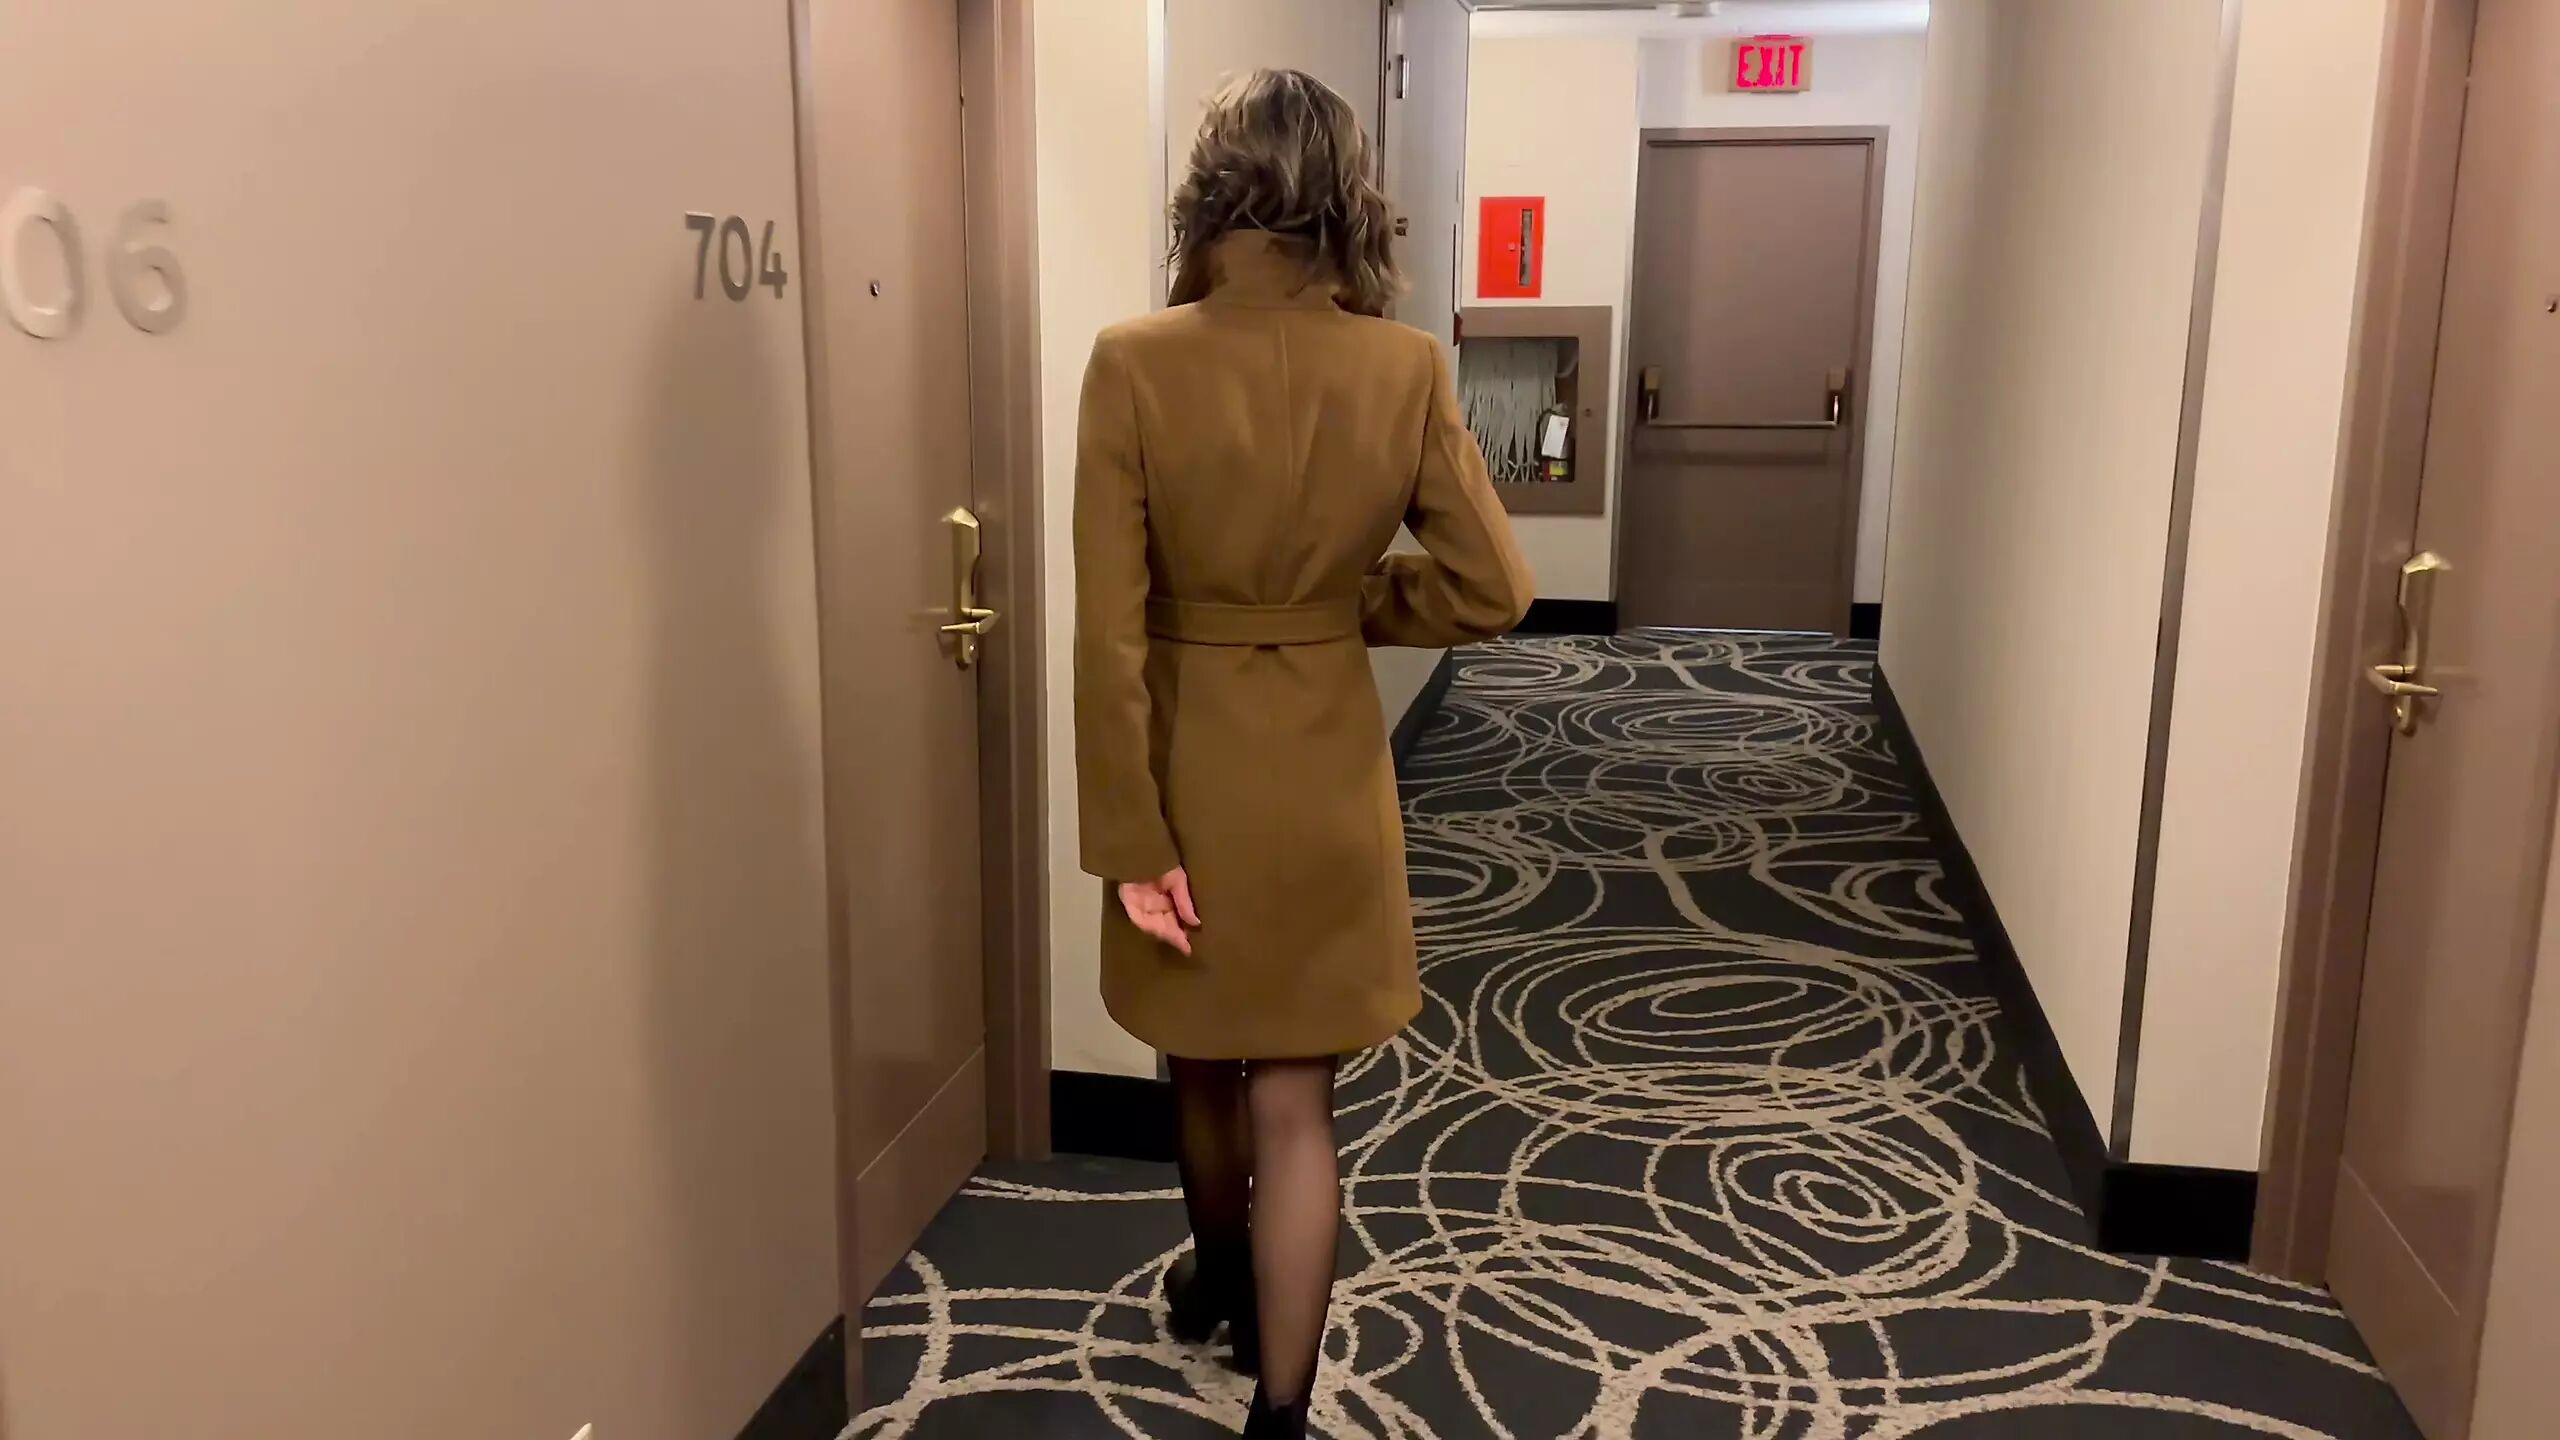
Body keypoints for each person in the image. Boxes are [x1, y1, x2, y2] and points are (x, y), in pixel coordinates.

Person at [1072, 67, 1534, 1440]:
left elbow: (1107, 633)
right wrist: (1349, 606)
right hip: (1326, 767)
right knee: (1297, 1097)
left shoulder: (1133, 361)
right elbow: (1494, 587)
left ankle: (1218, 1279)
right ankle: (1282, 1412)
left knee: (1199, 1056)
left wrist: (1130, 840)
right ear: (1348, 197)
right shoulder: (1402, 366)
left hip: (1187, 771)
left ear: (1212, 190)